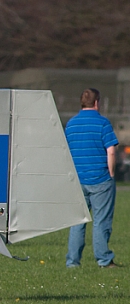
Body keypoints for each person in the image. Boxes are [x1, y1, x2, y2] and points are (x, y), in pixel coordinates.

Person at [65, 88, 119, 268]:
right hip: (100, 178)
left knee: (77, 222)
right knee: (101, 221)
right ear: (97, 103)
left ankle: (73, 261)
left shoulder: (71, 124)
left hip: (78, 180)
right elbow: (111, 150)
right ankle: (103, 259)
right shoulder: (103, 123)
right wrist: (111, 173)